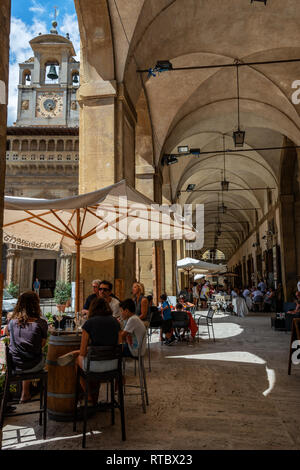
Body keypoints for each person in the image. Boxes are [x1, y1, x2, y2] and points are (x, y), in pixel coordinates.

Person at [58, 297, 121, 406]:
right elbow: (120, 345)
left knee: (78, 360)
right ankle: (97, 396)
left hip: (94, 366)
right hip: (114, 365)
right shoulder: (116, 322)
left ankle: (89, 396)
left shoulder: (89, 323)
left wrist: (81, 352)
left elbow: (83, 352)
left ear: (92, 308)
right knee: (91, 355)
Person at [7, 291, 48, 403]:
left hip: (15, 365)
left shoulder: (11, 323)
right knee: (45, 359)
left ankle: (25, 393)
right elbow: (41, 345)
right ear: (36, 304)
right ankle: (53, 395)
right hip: (33, 365)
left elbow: (13, 341)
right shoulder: (41, 323)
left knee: (25, 356)